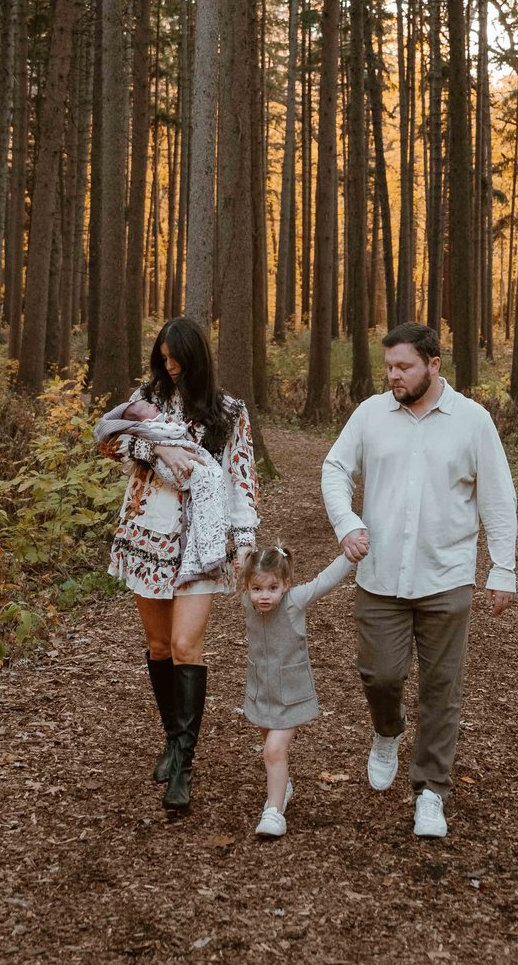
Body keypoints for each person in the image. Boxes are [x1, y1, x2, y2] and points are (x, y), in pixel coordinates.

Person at [320, 321, 518, 839]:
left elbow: (497, 497)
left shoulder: (472, 421)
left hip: (446, 577)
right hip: (380, 578)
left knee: (440, 688)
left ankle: (431, 789)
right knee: (380, 675)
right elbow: (334, 469)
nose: (394, 376)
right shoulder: (370, 415)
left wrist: (503, 568)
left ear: (434, 364)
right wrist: (347, 523)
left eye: (404, 366)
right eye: (389, 367)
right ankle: (387, 731)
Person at [94, 316, 260, 808]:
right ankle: (171, 738)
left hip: (202, 544)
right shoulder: (146, 398)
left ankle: (183, 765)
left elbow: (241, 478)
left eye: (175, 357)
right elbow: (107, 441)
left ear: (196, 356)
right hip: (148, 534)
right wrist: (158, 445)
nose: (168, 366)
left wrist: (245, 543)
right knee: (159, 643)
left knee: (188, 645)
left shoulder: (229, 411)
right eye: (162, 358)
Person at [236, 543, 355, 838]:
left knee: (274, 750)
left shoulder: (294, 601)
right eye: (257, 589)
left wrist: (349, 556)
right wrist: (240, 552)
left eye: (273, 587)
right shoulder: (246, 602)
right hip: (261, 690)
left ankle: (274, 812)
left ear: (285, 585)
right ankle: (282, 784)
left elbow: (323, 581)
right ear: (248, 588)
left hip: (290, 691)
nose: (265, 596)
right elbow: (232, 572)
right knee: (269, 747)